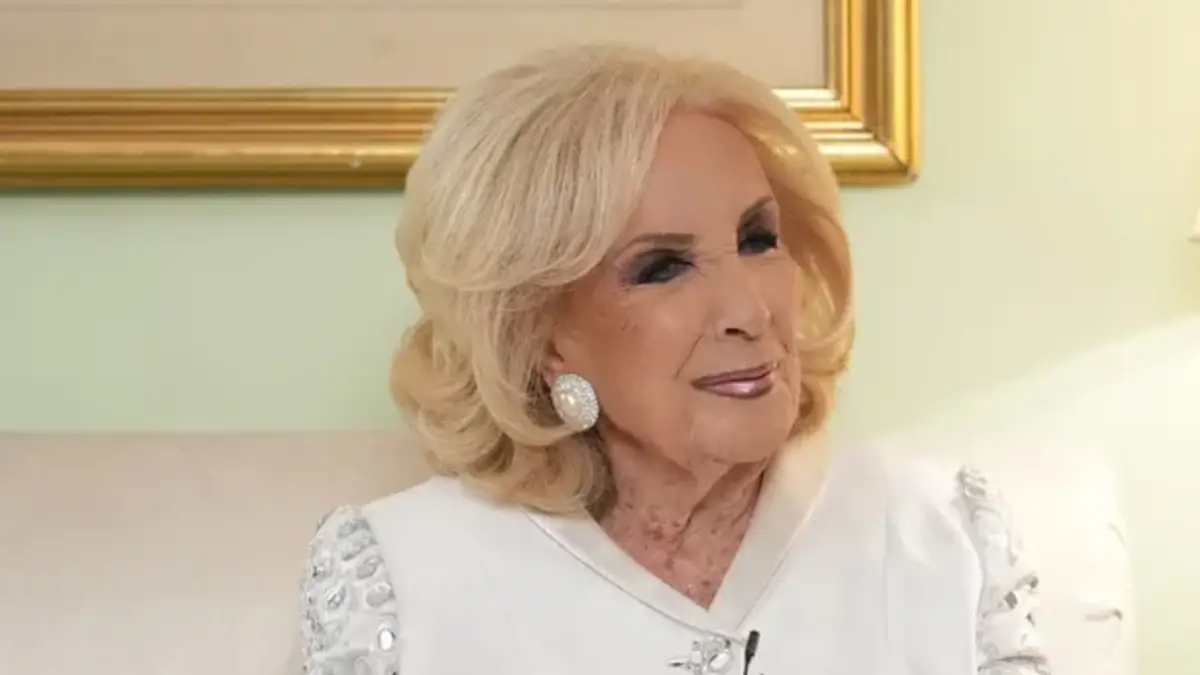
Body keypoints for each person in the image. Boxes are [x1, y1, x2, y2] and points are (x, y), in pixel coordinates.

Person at [298, 44, 1049, 675]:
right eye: (662, 267)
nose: (750, 311)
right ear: (539, 334)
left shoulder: (940, 539)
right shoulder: (405, 579)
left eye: (758, 240)